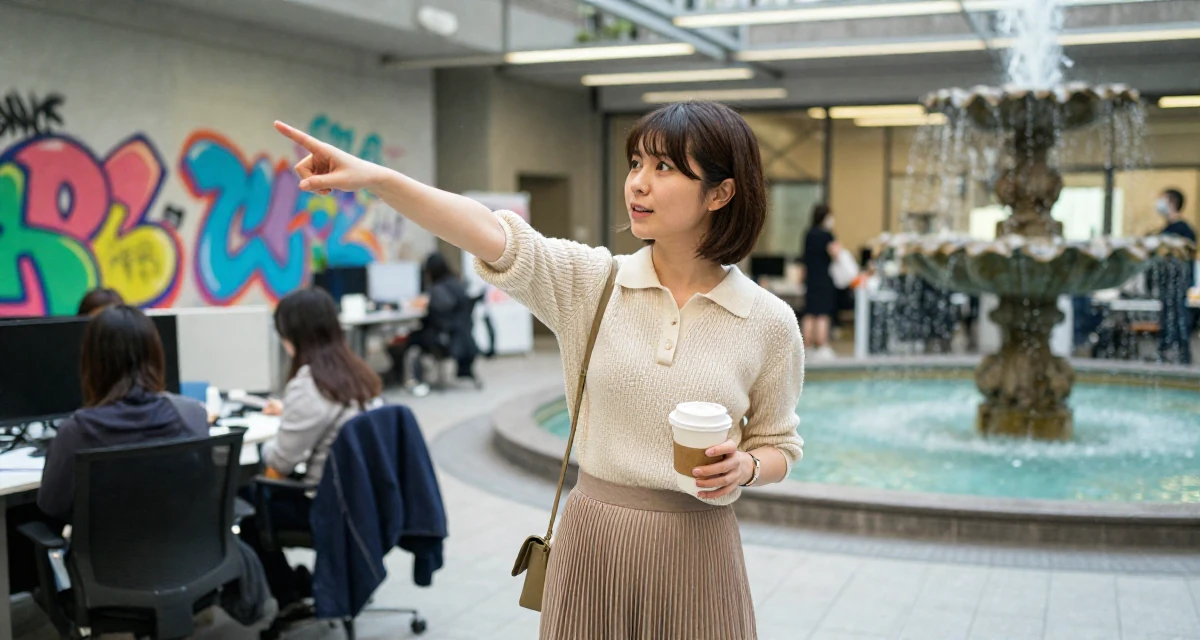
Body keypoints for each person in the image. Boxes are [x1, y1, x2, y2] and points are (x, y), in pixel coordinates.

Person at [273, 100, 804, 638]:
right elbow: (488, 231)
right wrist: (378, 180)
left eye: (663, 168)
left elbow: (778, 443)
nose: (637, 184)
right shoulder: (594, 283)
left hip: (698, 551)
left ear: (720, 192)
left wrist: (749, 468)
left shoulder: (767, 321)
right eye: (636, 163)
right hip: (593, 541)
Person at [245, 287, 383, 613]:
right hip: (365, 503)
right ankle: (303, 584)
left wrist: (269, 443)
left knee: (246, 508)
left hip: (328, 507)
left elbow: (279, 462)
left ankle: (290, 595)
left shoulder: (310, 385)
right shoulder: (358, 374)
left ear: (293, 335)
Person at [387, 252, 478, 389]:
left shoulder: (438, 290)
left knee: (402, 341)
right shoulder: (457, 284)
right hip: (459, 337)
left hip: (441, 338)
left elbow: (436, 317)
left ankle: (401, 379)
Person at [1154, 188, 1196, 364]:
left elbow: (1188, 255)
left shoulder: (1184, 230)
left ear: (1172, 202)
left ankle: (1182, 357)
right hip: (1166, 284)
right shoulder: (1165, 230)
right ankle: (1165, 355)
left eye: (1162, 200)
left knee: (1178, 316)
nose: (1158, 204)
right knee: (1167, 317)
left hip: (1177, 284)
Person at [800, 204, 840, 361]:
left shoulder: (808, 233)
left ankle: (806, 347)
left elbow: (804, 258)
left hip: (810, 279)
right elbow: (836, 254)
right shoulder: (827, 235)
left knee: (809, 313)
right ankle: (821, 346)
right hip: (823, 279)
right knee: (822, 314)